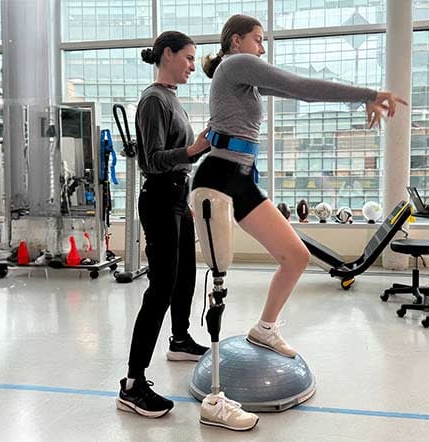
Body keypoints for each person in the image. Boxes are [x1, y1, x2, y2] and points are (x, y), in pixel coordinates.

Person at [194, 15, 407, 358]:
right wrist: (369, 94)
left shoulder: (245, 79)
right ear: (236, 41)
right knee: (220, 270)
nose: (262, 49)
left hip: (241, 178)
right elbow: (300, 86)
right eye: (258, 39)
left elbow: (302, 94)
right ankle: (195, 345)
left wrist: (359, 100)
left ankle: (265, 329)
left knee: (296, 256)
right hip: (219, 176)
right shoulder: (235, 65)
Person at [116, 31, 211, 419]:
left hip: (176, 197)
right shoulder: (154, 99)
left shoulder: (171, 97)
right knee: (160, 289)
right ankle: (132, 384)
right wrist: (194, 148)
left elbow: (179, 156)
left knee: (186, 273)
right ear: (167, 55)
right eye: (188, 58)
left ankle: (180, 339)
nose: (192, 66)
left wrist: (198, 151)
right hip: (158, 198)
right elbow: (152, 159)